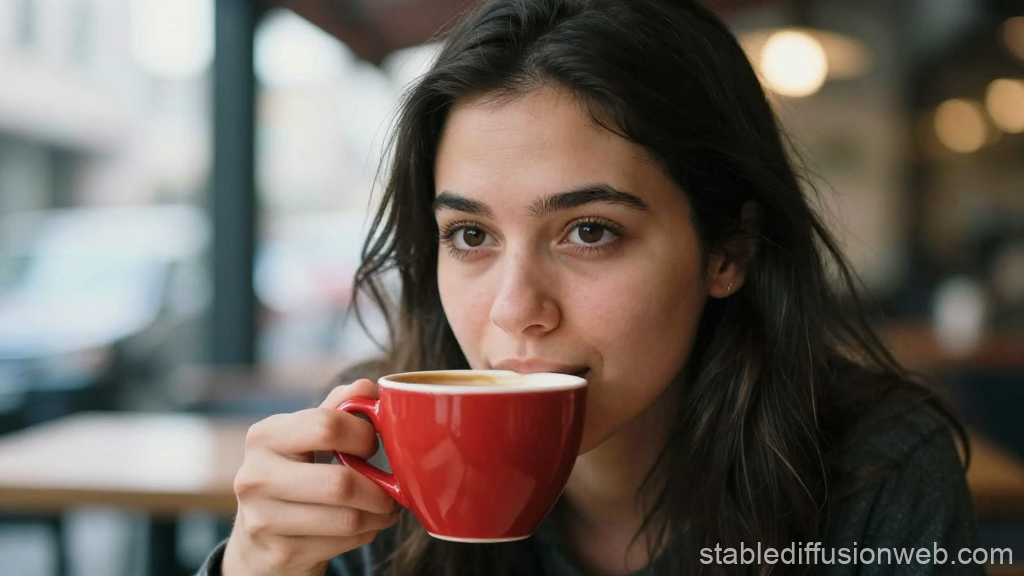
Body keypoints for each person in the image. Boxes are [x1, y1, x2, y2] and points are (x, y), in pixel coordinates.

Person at [198, 0, 980, 574]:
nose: (515, 311)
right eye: (470, 236)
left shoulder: (871, 475)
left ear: (728, 251)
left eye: (590, 231)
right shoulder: (371, 455)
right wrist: (254, 567)